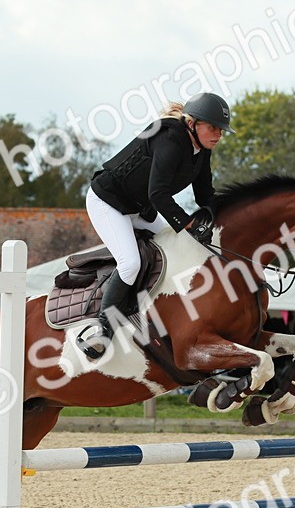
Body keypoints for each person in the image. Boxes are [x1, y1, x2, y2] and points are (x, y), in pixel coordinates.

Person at [77, 92, 233, 359]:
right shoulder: (171, 139)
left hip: (139, 208)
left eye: (221, 129)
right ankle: (103, 330)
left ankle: (150, 312)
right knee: (131, 263)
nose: (218, 134)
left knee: (178, 248)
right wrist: (188, 224)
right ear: (192, 123)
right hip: (109, 203)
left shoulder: (201, 150)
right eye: (213, 127)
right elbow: (158, 194)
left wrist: (224, 221)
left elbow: (205, 194)